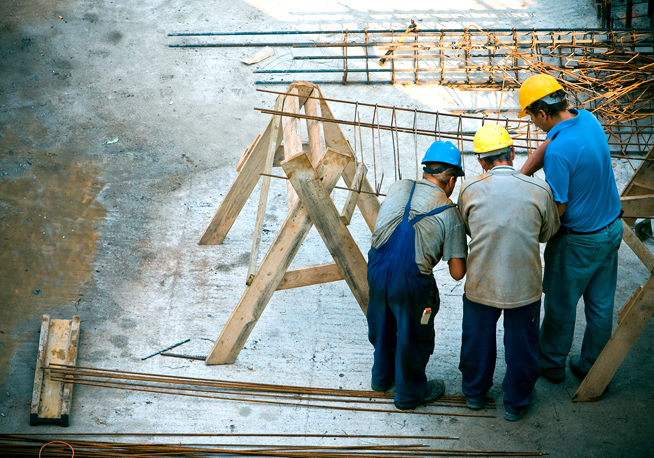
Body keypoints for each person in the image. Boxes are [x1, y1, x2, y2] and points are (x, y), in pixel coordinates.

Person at [519, 74, 623, 386]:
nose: (534, 125)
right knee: (601, 307)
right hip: (611, 230)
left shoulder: (559, 153)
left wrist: (533, 227)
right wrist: (520, 175)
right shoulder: (587, 119)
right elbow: (550, 142)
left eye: (532, 118)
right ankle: (592, 366)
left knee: (560, 307)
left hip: (578, 243)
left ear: (541, 114)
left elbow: (558, 210)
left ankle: (550, 366)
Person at [457, 123, 560, 421]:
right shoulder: (540, 189)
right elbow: (547, 233)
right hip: (523, 286)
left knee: (477, 340)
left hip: (481, 283)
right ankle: (517, 401)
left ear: (480, 161)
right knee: (522, 345)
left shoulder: (469, 189)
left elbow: (467, 228)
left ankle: (475, 394)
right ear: (513, 153)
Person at [367, 140, 468, 410]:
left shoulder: (399, 186)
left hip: (376, 268)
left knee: (383, 322)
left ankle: (381, 379)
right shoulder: (449, 212)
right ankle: (409, 394)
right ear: (452, 180)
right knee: (413, 335)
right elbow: (457, 274)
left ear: (425, 170)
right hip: (411, 284)